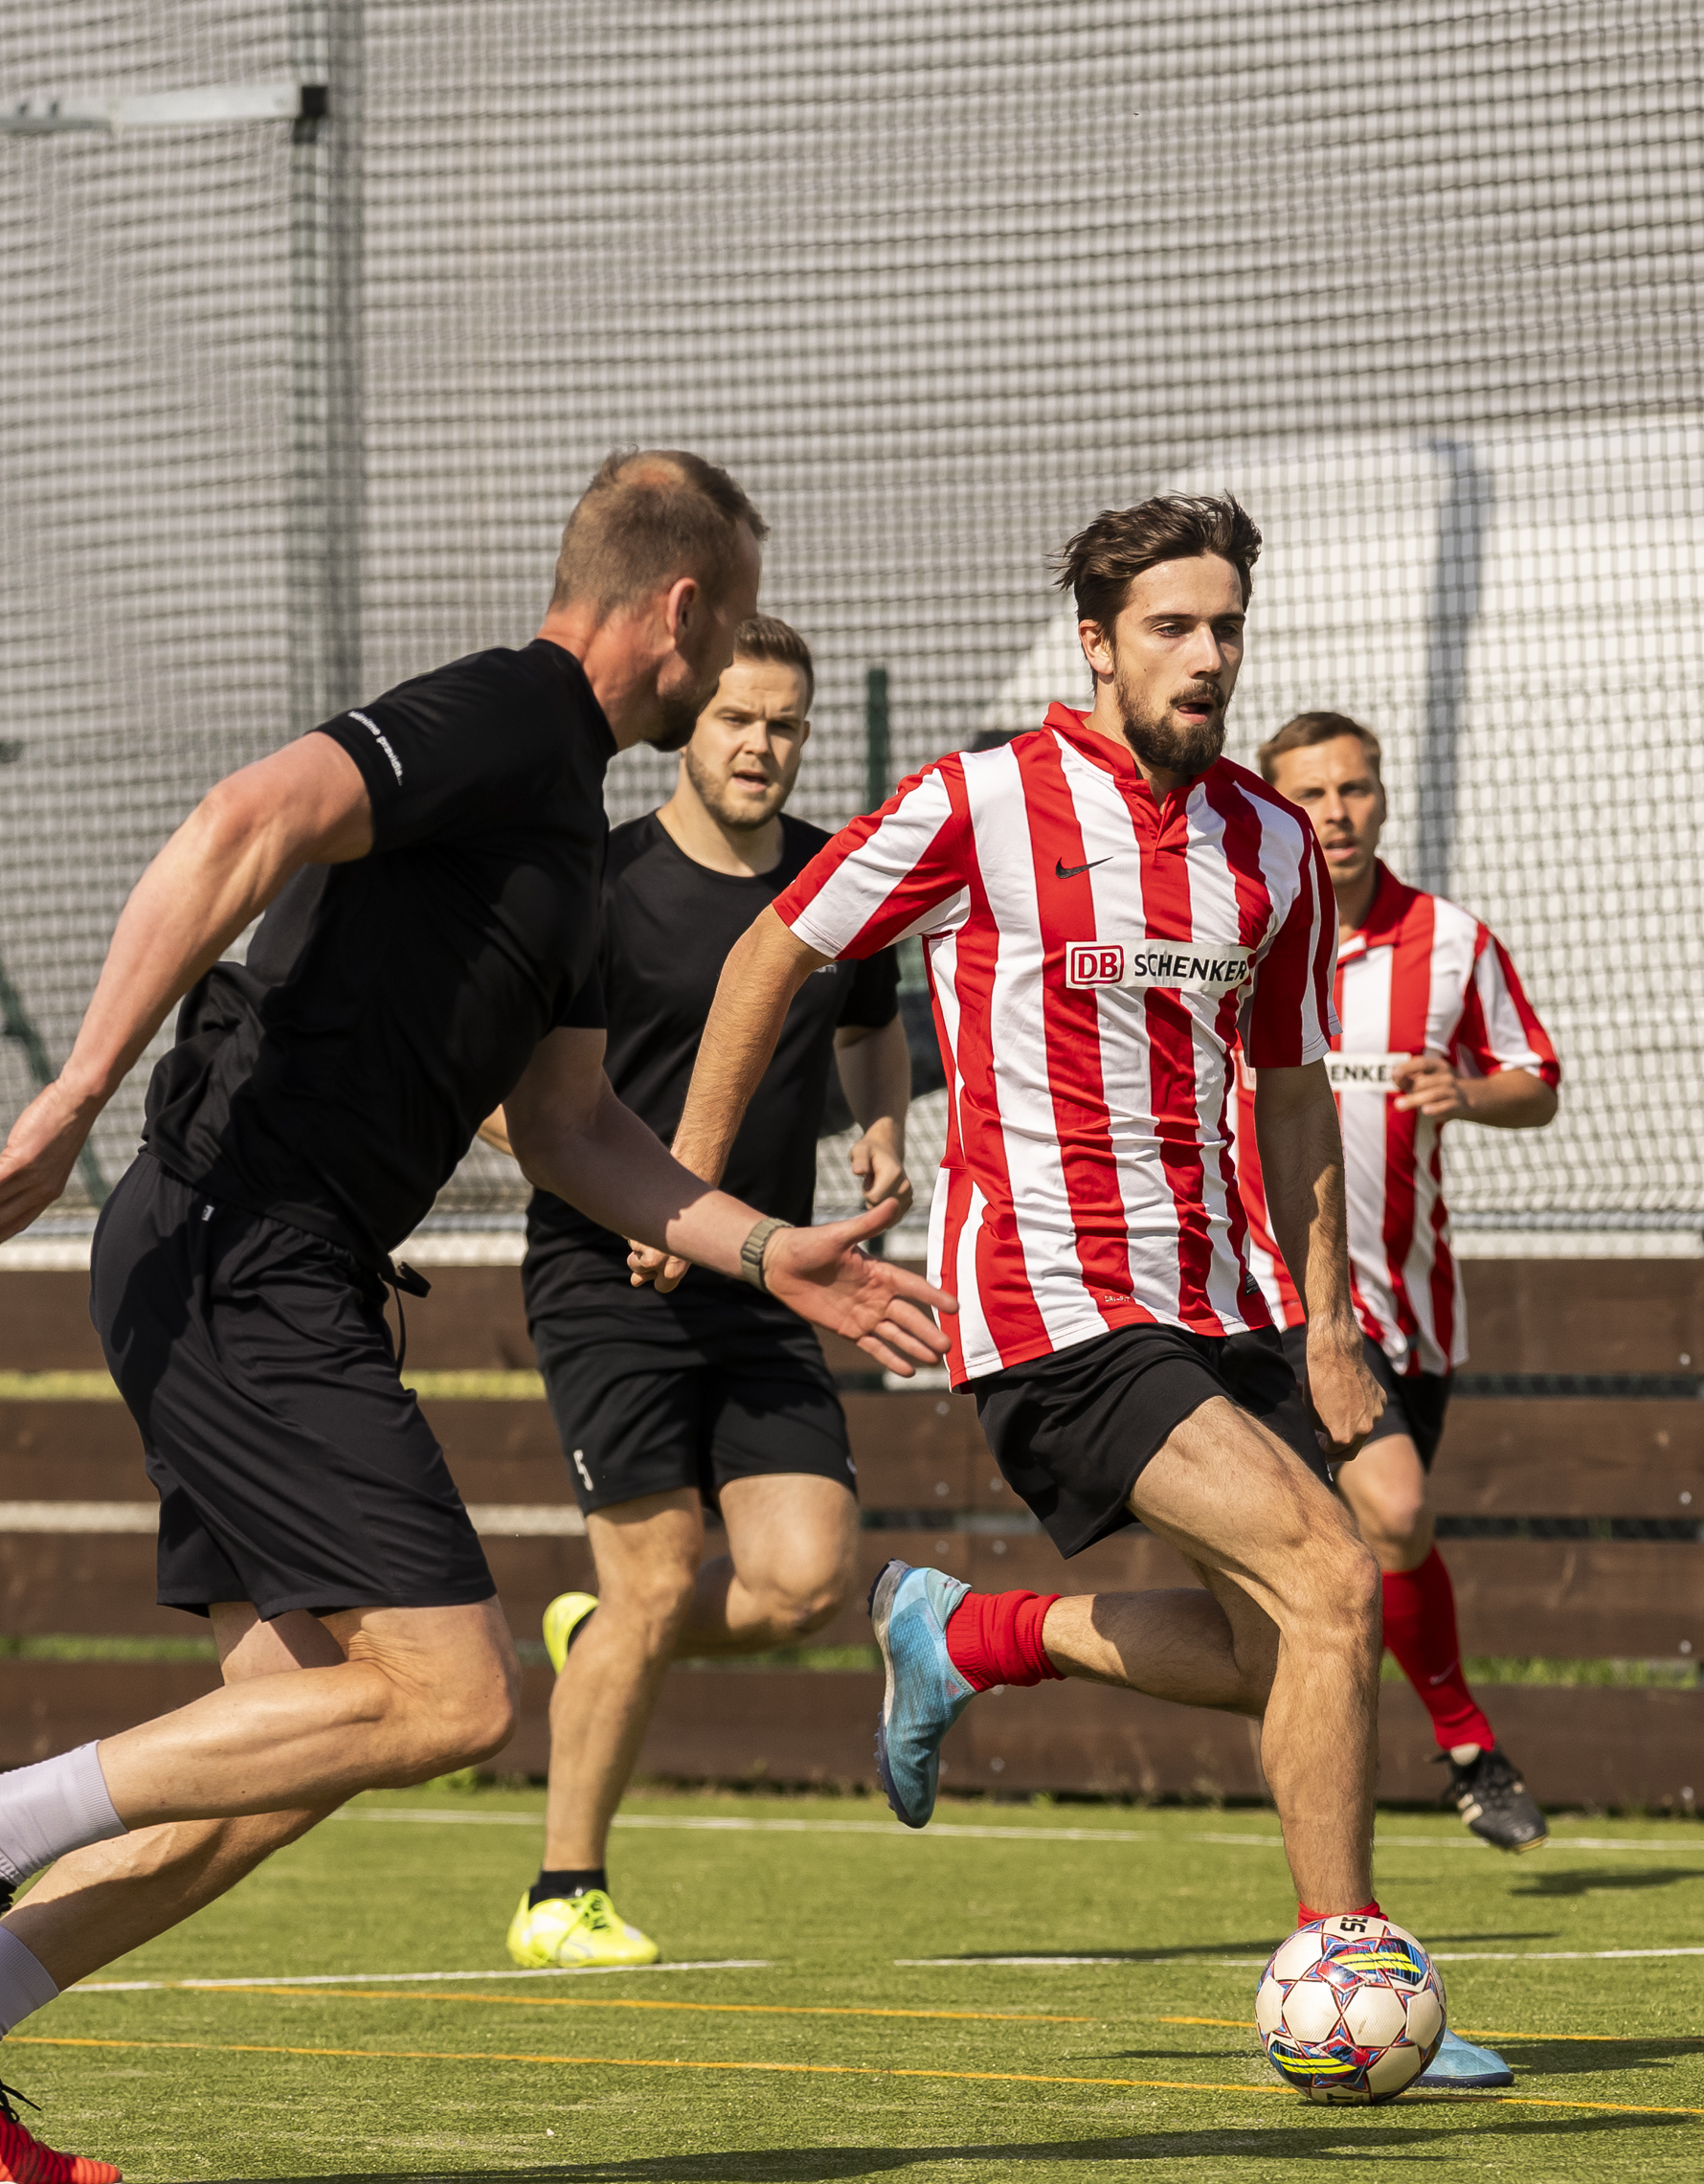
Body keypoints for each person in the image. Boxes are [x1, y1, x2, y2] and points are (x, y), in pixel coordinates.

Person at [0, 452, 951, 2184]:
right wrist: (73, 1088)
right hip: (237, 1241)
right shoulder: (506, 713)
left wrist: (761, 1245)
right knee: (450, 1690)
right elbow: (240, 821)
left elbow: (573, 1132)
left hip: (272, 1264)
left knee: (290, 1753)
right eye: (724, 649)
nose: (731, 691)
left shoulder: (567, 827)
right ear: (683, 611)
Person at [659, 490, 1415, 1921]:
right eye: (1171, 627)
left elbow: (1297, 1090)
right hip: (1047, 1299)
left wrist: (1327, 1319)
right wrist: (687, 1189)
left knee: (1290, 1643)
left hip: (1214, 1293)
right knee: (1331, 1575)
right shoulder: (978, 800)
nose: (1207, 657)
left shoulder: (1269, 844)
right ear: (1096, 643)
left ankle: (971, 1632)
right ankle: (1346, 1967)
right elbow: (773, 950)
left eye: (1226, 629)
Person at [477, 613, 909, 1968]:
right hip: (610, 1273)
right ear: (689, 725)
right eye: (736, 718)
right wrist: (624, 1183)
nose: (761, 746)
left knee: (803, 1582)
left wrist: (880, 1119)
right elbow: (497, 1097)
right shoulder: (596, 884)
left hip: (770, 1276)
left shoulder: (839, 886)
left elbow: (870, 1021)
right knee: (658, 1573)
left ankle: (606, 1634)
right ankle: (561, 1891)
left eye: (784, 723)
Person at [1228, 712, 1562, 1854]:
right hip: (1270, 1303)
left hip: (1409, 1311)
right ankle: (1466, 1748)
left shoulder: (1450, 943)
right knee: (1389, 1513)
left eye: (1353, 790)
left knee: (1371, 1556)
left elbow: (1536, 1079)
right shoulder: (1240, 928)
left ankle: (979, 1639)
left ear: (1380, 800)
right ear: (1272, 804)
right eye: (1310, 794)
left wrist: (1468, 1093)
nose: (1334, 813)